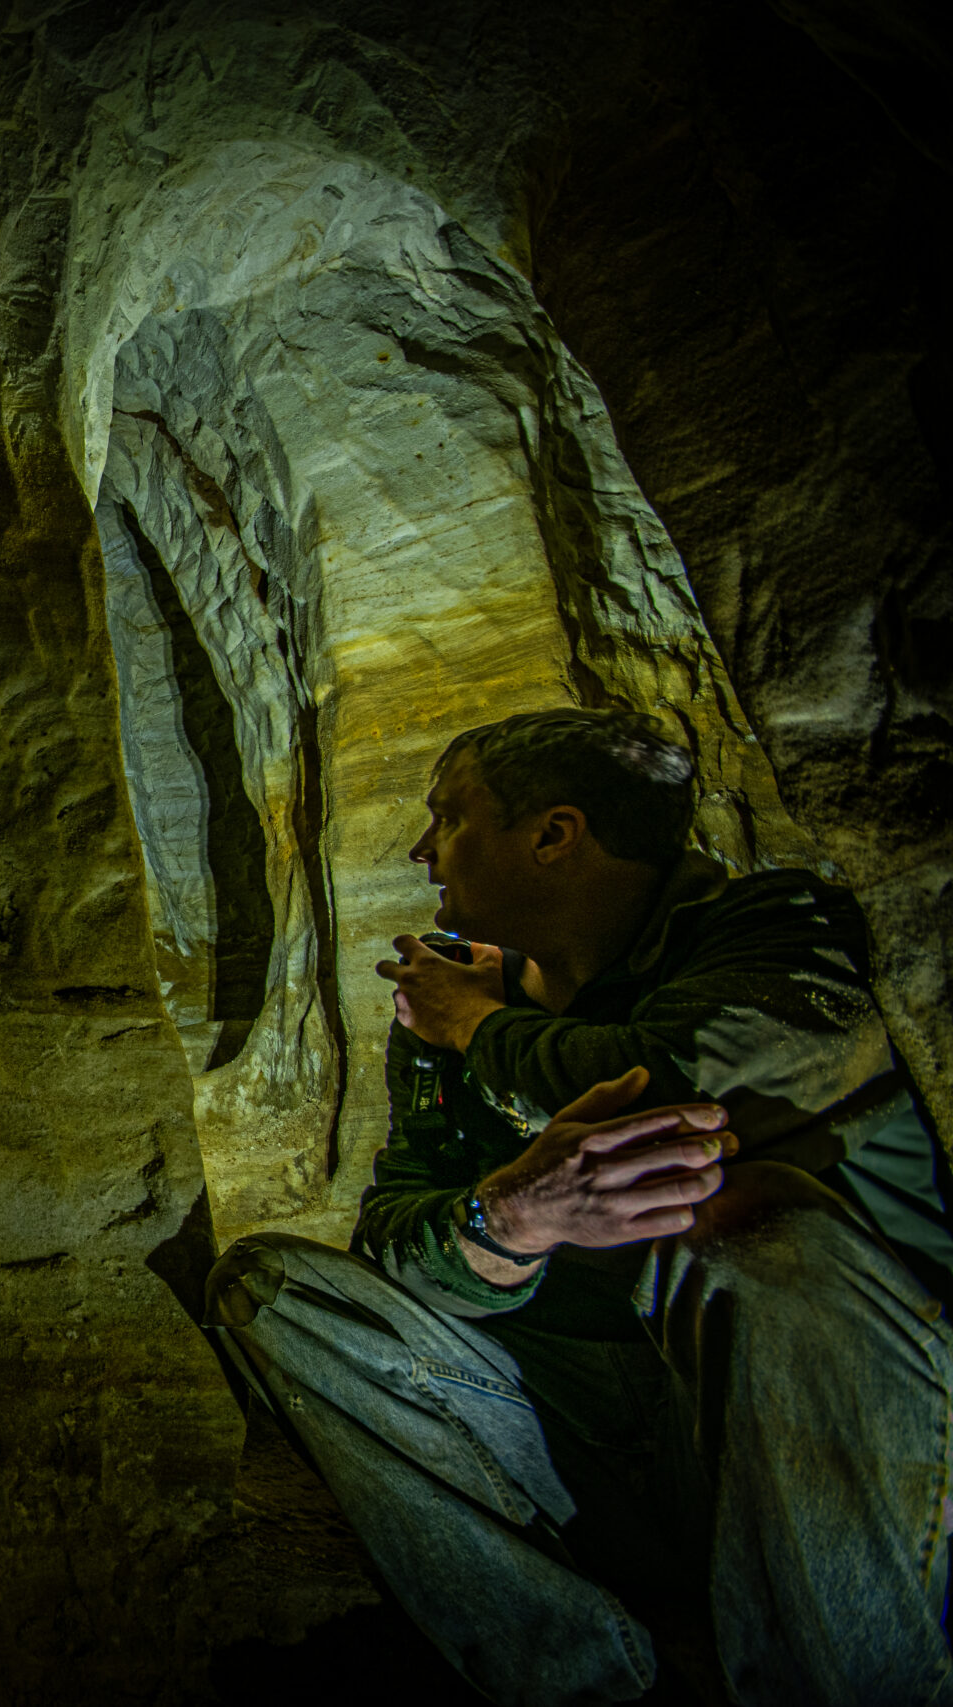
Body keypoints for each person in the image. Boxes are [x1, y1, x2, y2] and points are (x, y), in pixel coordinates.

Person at [207, 708, 953, 1705]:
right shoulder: (440, 1011)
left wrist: (481, 1027)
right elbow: (392, 1226)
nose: (424, 850)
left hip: (818, 1442)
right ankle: (585, 1680)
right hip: (575, 1439)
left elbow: (682, 1084)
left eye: (450, 818)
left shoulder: (771, 925)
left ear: (554, 835)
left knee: (758, 1219)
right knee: (274, 1289)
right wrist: (506, 1223)